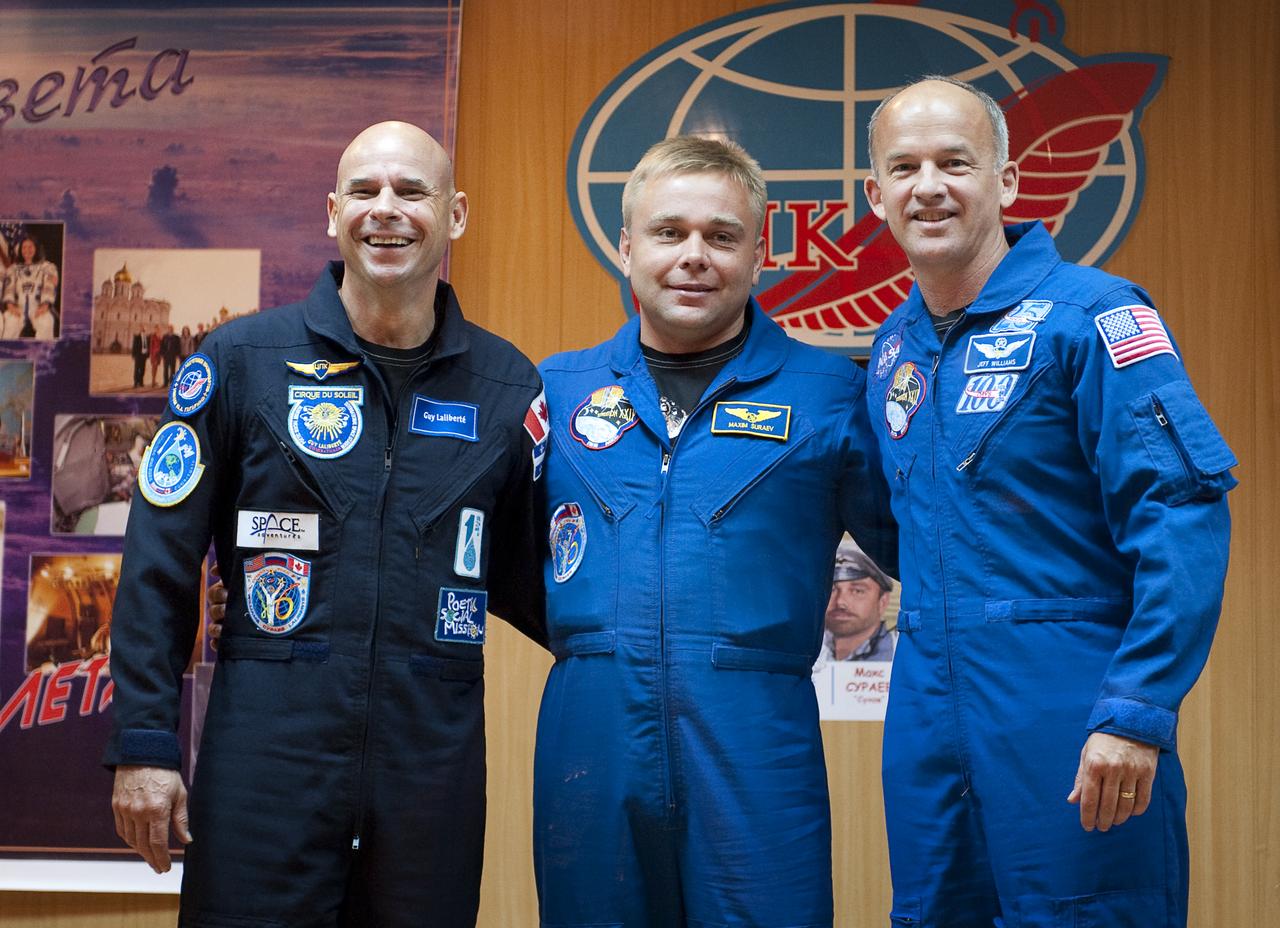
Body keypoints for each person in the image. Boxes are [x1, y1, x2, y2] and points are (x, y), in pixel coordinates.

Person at [105, 120, 548, 928]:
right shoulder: (241, 362)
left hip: (430, 768)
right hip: (268, 752)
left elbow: (541, 577)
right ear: (332, 211)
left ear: (454, 216)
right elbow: (158, 563)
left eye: (412, 191)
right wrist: (143, 740)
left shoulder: (505, 384)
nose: (388, 210)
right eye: (367, 190)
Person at [861, 76, 1236, 926]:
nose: (931, 186)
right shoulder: (895, 348)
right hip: (927, 711)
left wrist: (1137, 710)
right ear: (876, 194)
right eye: (906, 166)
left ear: (1007, 181)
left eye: (956, 162)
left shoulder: (1091, 316)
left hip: (1067, 704)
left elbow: (1179, 512)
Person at [533, 136, 896, 927]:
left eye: (721, 236)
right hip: (590, 736)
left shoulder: (830, 392)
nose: (693, 256)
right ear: (626, 246)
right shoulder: (555, 393)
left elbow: (918, 545)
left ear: (758, 253)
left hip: (755, 739)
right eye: (669, 233)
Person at [814, 539, 895, 666]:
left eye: (857, 591)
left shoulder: (902, 657)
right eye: (832, 589)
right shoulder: (802, 649)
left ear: (883, 602)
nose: (841, 602)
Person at [1, 235, 59, 339]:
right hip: (18, 306)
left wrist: (45, 304)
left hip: (38, 306)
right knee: (9, 323)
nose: (27, 250)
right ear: (20, 250)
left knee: (47, 322)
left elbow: (49, 286)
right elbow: (8, 287)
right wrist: (10, 305)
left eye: (30, 246)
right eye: (24, 247)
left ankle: (43, 354)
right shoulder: (13, 269)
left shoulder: (47, 267)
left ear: (36, 248)